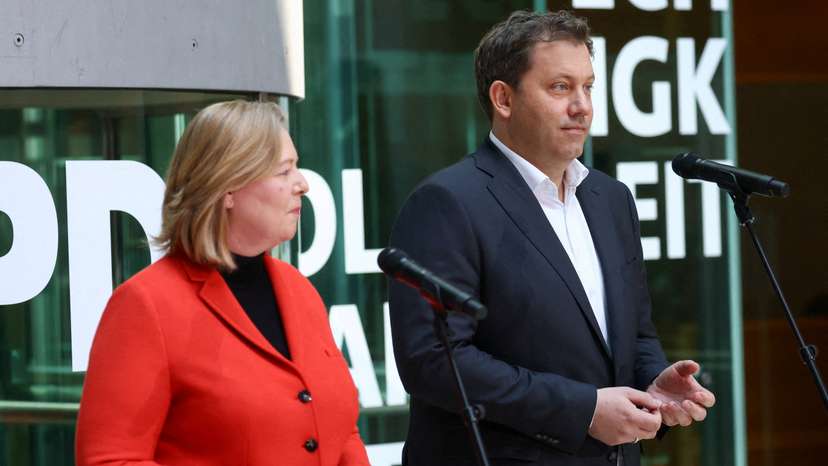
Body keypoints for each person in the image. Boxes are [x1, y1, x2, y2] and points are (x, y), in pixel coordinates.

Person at [387, 10, 715, 466]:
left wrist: (653, 382)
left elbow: (635, 333)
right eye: (561, 87)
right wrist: (583, 410)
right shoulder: (447, 202)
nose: (582, 106)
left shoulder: (611, 199)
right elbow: (434, 362)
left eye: (588, 87)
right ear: (503, 98)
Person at [76, 100, 370, 466]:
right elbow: (110, 459)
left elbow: (342, 433)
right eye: (284, 171)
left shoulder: (299, 290)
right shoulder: (146, 304)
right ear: (227, 187)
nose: (303, 184)